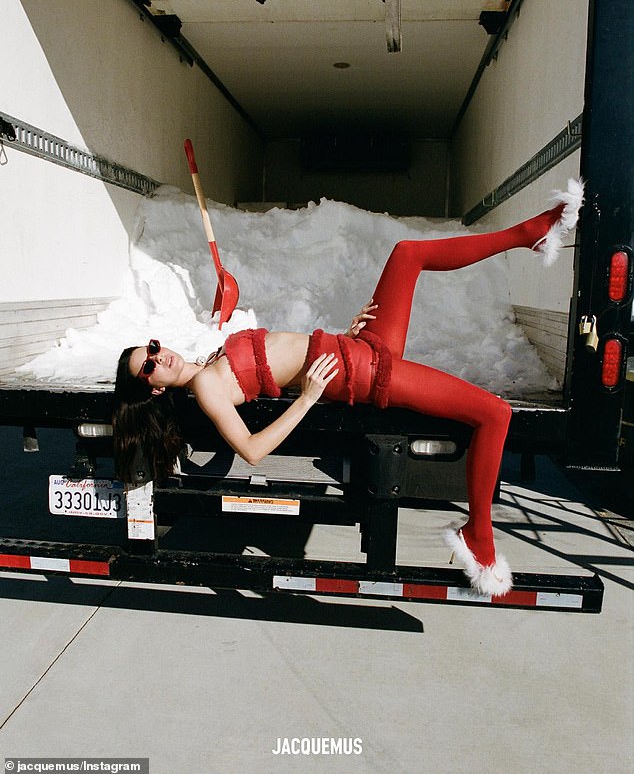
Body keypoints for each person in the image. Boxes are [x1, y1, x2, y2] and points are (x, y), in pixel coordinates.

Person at [113, 179, 584, 596]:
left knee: (406, 253)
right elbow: (253, 450)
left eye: (151, 348)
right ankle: (478, 535)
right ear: (153, 389)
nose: (159, 356)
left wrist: (344, 333)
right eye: (149, 367)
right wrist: (307, 399)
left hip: (356, 345)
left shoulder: (208, 361)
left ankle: (529, 235)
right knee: (495, 414)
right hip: (361, 375)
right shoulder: (208, 389)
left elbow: (287, 356)